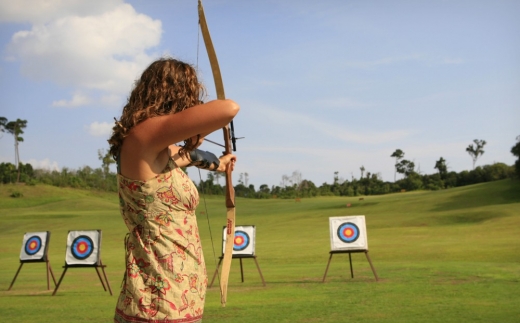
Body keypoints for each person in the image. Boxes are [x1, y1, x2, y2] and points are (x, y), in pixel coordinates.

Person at [108, 57, 239, 323]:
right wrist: (197, 125)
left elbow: (188, 156)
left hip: (180, 298)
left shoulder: (158, 150)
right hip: (155, 303)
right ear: (176, 94)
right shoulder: (142, 135)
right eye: (190, 96)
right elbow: (228, 108)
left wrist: (219, 163)